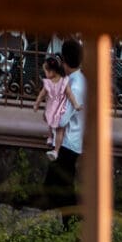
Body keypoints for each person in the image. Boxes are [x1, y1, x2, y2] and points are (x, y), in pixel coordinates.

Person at [44, 39, 85, 207]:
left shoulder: (75, 86)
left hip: (68, 143)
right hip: (71, 141)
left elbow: (62, 119)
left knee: (58, 187)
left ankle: (71, 223)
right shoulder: (79, 80)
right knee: (60, 186)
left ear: (65, 61)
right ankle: (69, 223)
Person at [36, 52, 70, 157]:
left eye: (46, 71)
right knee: (59, 129)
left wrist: (37, 103)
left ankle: (50, 138)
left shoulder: (48, 83)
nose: (44, 73)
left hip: (51, 108)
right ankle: (56, 149)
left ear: (52, 71)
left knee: (51, 123)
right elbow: (69, 95)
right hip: (60, 109)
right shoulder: (65, 81)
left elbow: (42, 95)